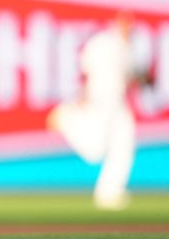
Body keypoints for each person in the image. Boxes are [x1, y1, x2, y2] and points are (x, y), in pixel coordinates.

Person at [47, 12, 139, 210]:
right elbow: (87, 72)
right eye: (124, 23)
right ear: (116, 23)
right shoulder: (102, 43)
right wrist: (82, 98)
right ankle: (66, 117)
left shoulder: (128, 48)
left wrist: (144, 78)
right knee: (95, 150)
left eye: (130, 24)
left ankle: (110, 192)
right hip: (100, 100)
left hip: (119, 103)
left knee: (125, 145)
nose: (127, 27)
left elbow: (131, 78)